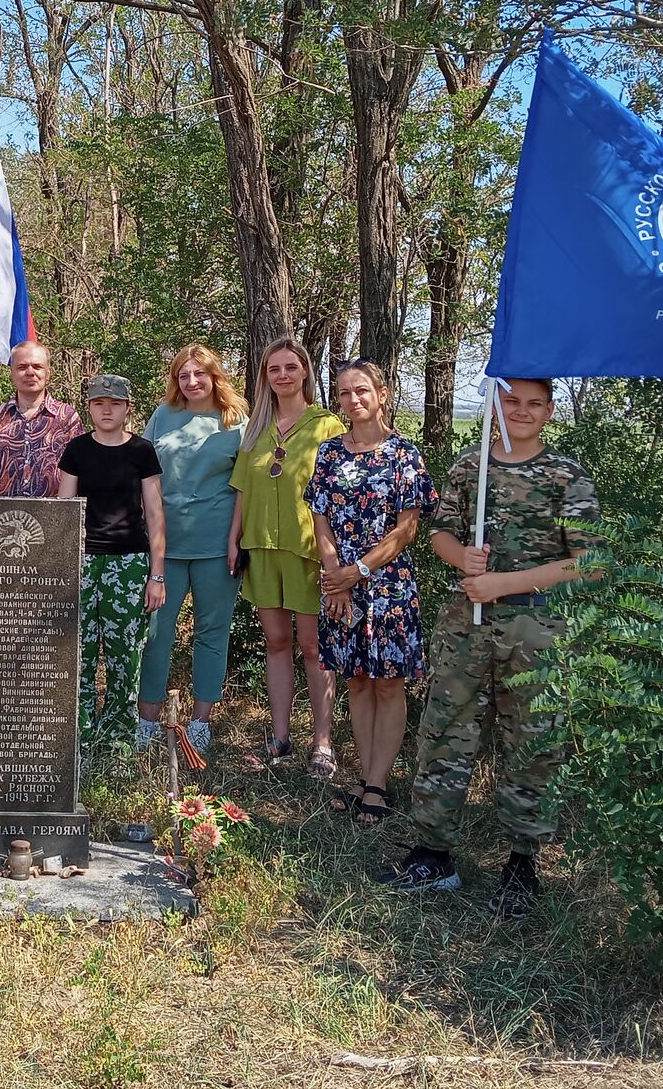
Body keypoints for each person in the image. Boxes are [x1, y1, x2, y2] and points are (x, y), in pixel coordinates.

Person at [379, 377, 602, 919]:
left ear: (549, 411)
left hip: (536, 628)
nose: (522, 411)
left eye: (534, 404)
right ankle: (433, 852)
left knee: (532, 740)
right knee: (445, 729)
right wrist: (461, 558)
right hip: (467, 625)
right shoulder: (470, 466)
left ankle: (522, 863)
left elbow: (589, 564)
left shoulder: (565, 476)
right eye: (512, 401)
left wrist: (505, 582)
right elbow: (440, 532)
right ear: (497, 404)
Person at [309, 359, 440, 826]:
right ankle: (364, 777)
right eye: (345, 392)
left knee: (388, 682)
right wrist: (335, 576)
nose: (353, 400)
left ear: (382, 394)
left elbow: (407, 530)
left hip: (388, 586)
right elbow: (319, 518)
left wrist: (358, 570)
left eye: (362, 390)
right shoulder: (329, 453)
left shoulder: (404, 455)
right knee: (357, 680)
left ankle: (379, 784)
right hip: (340, 586)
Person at [226, 339, 345, 769]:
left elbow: (337, 493)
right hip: (261, 546)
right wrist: (234, 538)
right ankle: (279, 738)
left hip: (307, 548)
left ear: (305, 371)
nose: (282, 375)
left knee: (313, 646)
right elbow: (242, 488)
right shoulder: (256, 427)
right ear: (265, 376)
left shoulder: (326, 425)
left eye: (290, 367)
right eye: (274, 369)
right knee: (276, 642)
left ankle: (323, 743)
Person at [136, 344, 246, 755]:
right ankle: (147, 720)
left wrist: (235, 540)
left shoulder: (237, 421)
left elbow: (245, 487)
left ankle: (201, 722)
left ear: (215, 376)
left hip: (217, 545)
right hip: (164, 545)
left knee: (211, 633)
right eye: (184, 375)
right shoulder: (163, 416)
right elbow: (140, 472)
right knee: (155, 633)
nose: (192, 381)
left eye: (199, 374)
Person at [56, 375, 165, 749]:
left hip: (129, 563)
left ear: (127, 408)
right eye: (99, 403)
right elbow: (65, 511)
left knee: (125, 656)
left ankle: (119, 738)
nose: (106, 410)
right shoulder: (76, 450)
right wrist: (63, 566)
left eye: (115, 403)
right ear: (89, 407)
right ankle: (80, 735)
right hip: (83, 562)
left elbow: (155, 514)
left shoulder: (142, 451)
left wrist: (157, 575)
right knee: (79, 652)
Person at [0, 340, 81, 497]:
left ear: (48, 373)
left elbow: (79, 475)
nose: (30, 372)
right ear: (12, 373)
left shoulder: (67, 418)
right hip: (0, 511)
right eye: (22, 367)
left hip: (52, 511)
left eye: (37, 367)